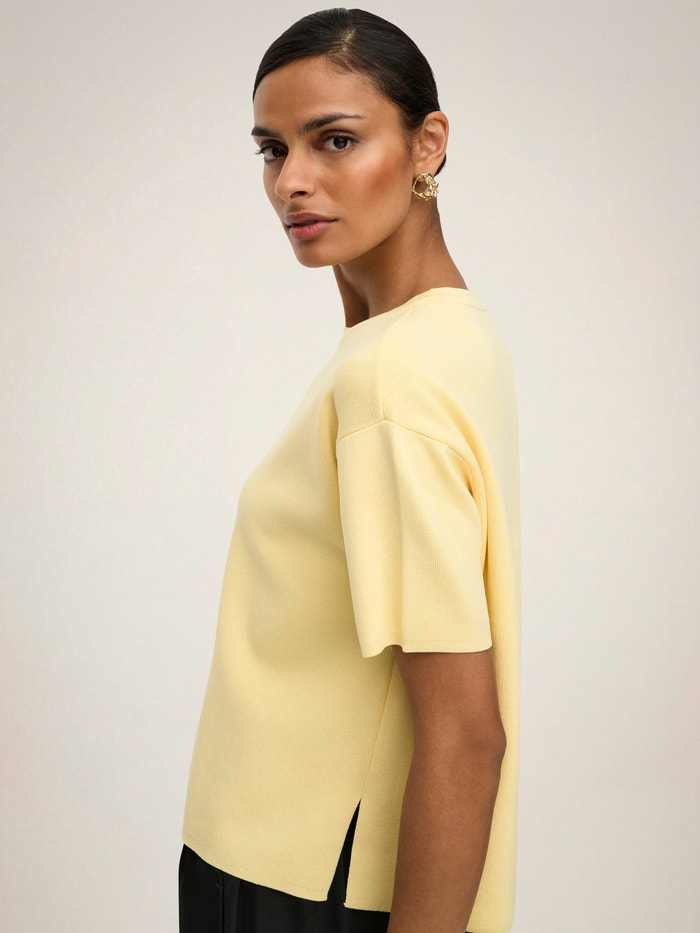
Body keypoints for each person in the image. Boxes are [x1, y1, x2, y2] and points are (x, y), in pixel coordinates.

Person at [180, 9, 520, 933]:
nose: (291, 181)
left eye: (335, 140)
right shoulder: (446, 335)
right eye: (272, 149)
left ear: (427, 144)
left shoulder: (389, 377)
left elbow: (465, 735)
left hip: (297, 876)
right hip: (292, 854)